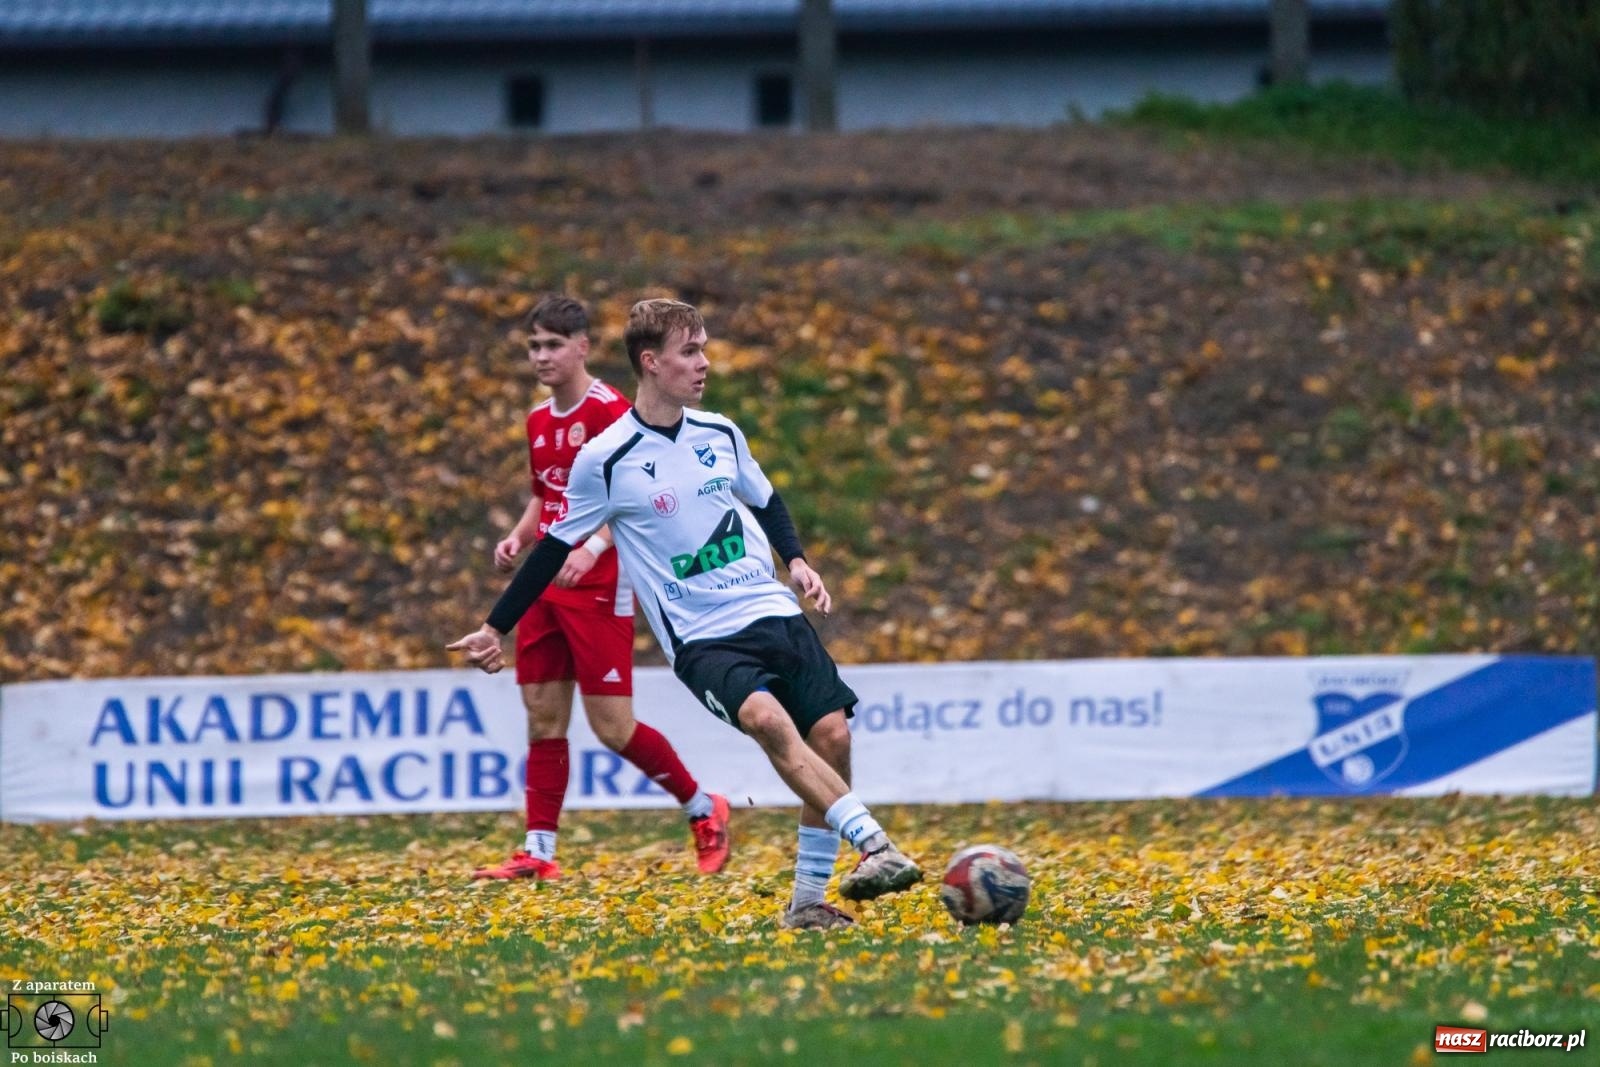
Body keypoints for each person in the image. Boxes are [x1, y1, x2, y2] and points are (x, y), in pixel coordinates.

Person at [450, 298, 922, 929]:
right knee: (767, 720)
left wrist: (797, 559)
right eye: (690, 352)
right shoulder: (606, 459)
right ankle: (876, 845)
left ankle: (808, 904)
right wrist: (493, 627)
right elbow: (554, 548)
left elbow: (765, 497)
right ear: (652, 362)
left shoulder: (720, 433)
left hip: (770, 608)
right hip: (701, 636)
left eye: (703, 349)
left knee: (832, 737)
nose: (704, 364)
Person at [470, 295, 730, 881]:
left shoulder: (612, 410)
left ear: (582, 347)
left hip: (599, 582)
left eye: (554, 345)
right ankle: (538, 852)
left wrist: (593, 546)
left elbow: (632, 495)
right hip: (548, 581)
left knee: (612, 726)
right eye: (534, 345)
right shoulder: (539, 418)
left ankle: (702, 808)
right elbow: (548, 493)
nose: (542, 356)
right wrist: (518, 537)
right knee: (542, 717)